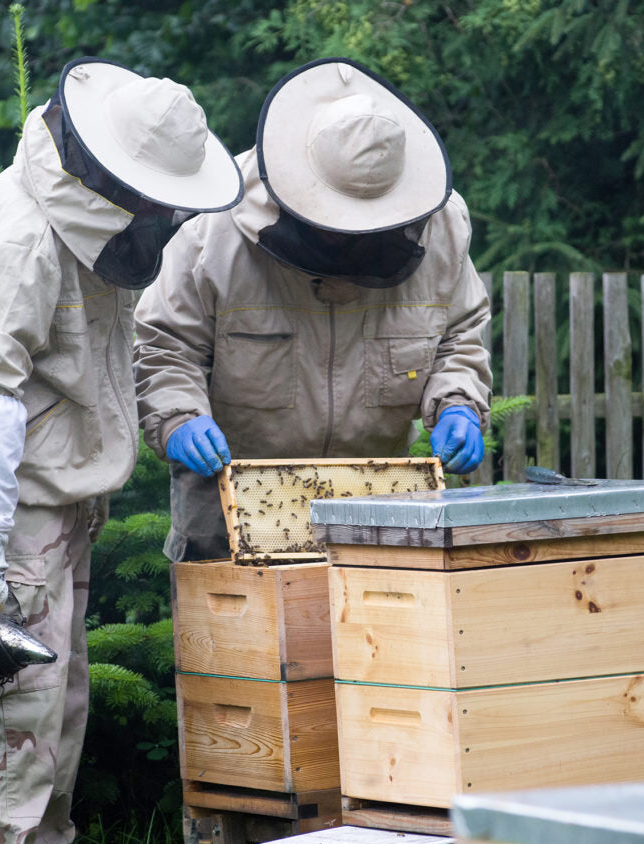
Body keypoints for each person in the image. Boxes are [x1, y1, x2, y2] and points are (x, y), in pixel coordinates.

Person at [0, 57, 242, 844]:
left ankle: (47, 842)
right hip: (10, 498)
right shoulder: (27, 232)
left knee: (56, 694)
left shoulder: (87, 213)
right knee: (15, 704)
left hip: (55, 486)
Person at [134, 57, 492, 563]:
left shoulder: (442, 233)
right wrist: (179, 416)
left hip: (377, 512)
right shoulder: (212, 236)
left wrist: (458, 402)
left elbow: (458, 335)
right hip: (228, 512)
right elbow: (165, 346)